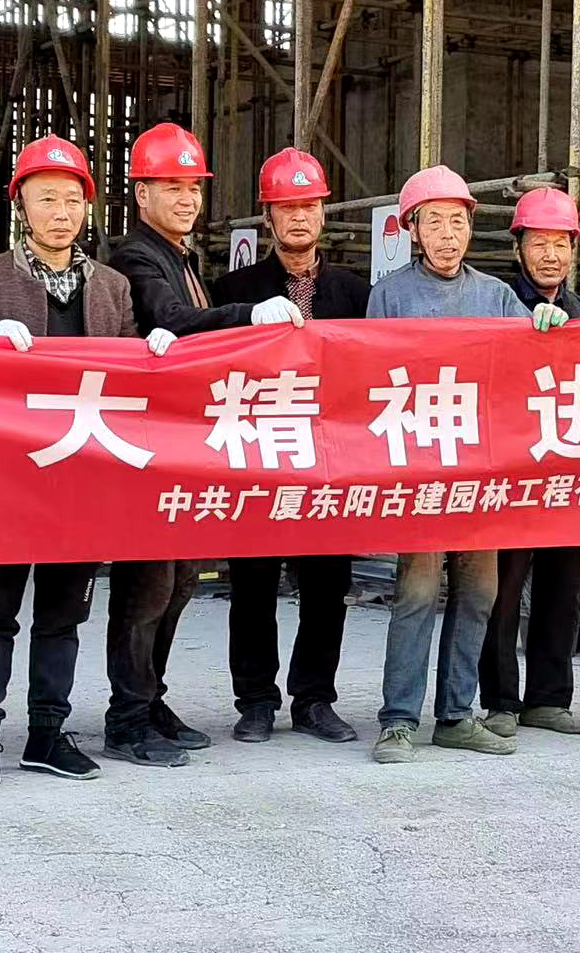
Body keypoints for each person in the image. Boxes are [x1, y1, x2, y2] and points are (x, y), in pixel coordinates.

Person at [0, 134, 170, 788]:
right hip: (7, 479)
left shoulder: (112, 287)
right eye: (47, 199)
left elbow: (129, 376)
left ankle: (47, 732)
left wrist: (156, 350)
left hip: (80, 476)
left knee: (64, 613)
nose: (62, 212)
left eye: (73, 199)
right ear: (21, 204)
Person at [99, 122, 307, 768]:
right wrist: (248, 314)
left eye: (193, 187)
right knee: (146, 587)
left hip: (183, 451)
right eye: (172, 186)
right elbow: (171, 321)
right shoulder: (137, 256)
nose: (187, 198)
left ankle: (150, 699)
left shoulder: (182, 256)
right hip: (148, 450)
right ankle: (126, 718)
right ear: (142, 193)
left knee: (180, 580)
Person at [365, 165, 569, 763]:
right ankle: (398, 720)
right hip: (422, 472)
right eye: (435, 223)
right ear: (413, 230)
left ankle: (456, 713)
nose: (448, 235)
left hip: (480, 474)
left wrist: (546, 324)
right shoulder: (391, 295)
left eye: (458, 222)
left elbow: (525, 371)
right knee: (417, 592)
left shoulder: (496, 295)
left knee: (480, 591)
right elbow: (367, 377)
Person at [209, 148, 367, 745]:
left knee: (327, 587)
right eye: (286, 207)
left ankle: (314, 700)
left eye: (308, 205)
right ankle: (255, 701)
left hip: (331, 462)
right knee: (252, 586)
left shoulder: (356, 294)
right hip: (260, 457)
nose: (299, 217)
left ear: (324, 213)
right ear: (268, 217)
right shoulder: (236, 290)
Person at [477, 185, 580, 739]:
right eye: (539, 243)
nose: (551, 255)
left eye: (561, 244)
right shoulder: (497, 304)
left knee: (562, 586)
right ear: (518, 248)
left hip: (562, 470)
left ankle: (549, 698)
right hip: (508, 471)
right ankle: (500, 700)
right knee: (501, 590)